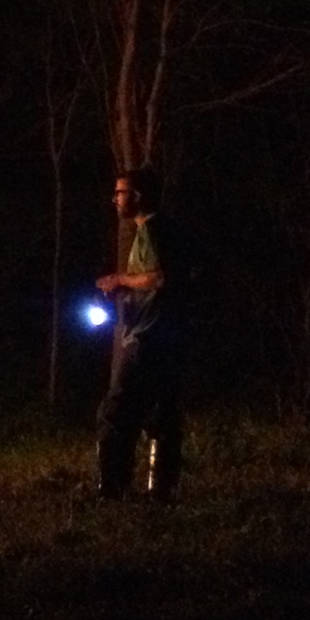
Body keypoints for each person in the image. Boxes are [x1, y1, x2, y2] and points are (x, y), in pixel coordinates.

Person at [95, 164, 186, 502]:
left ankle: (111, 489)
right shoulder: (167, 230)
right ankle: (162, 491)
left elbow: (158, 278)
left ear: (137, 196)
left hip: (146, 337)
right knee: (162, 413)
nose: (114, 199)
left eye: (120, 193)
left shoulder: (149, 230)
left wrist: (120, 279)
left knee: (115, 411)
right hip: (166, 336)